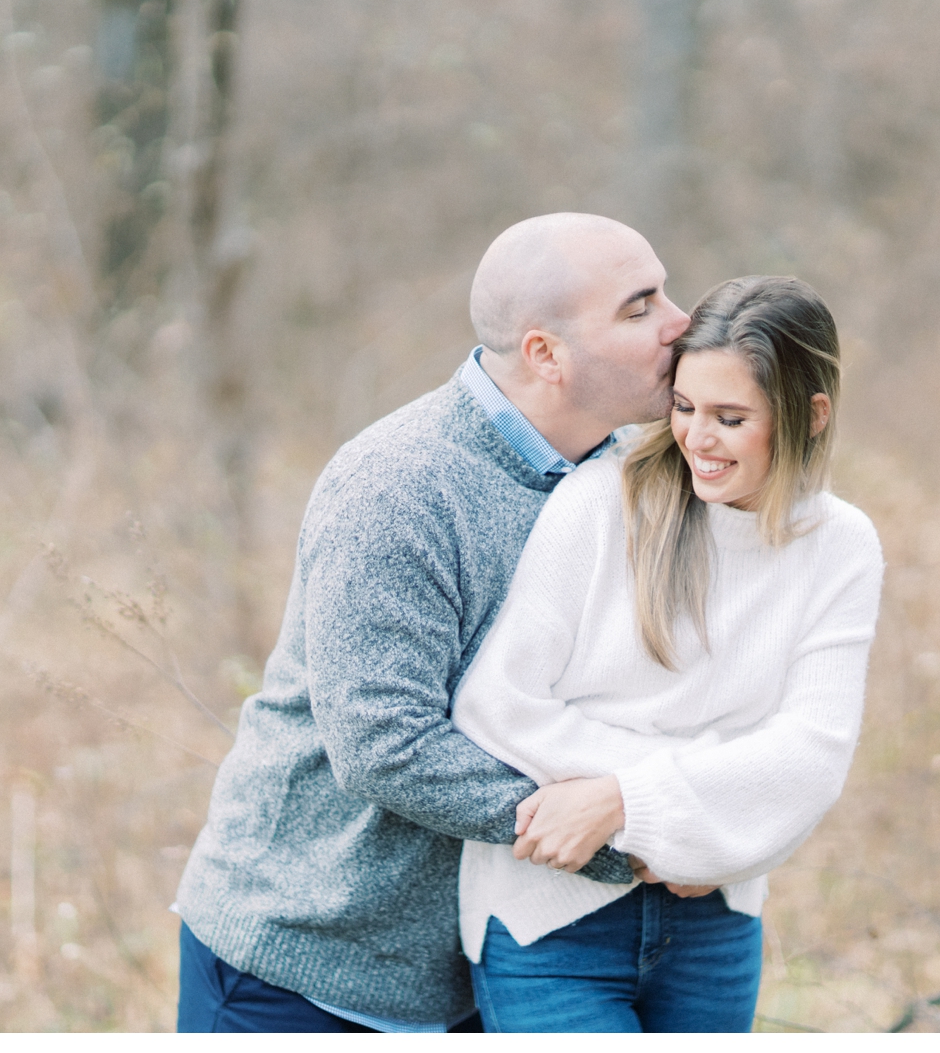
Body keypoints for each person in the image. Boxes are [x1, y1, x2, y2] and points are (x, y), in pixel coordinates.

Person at [172, 213, 692, 1032]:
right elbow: (383, 742)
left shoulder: (626, 474)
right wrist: (627, 839)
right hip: (309, 967)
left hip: (492, 965)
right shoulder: (400, 487)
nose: (680, 323)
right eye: (639, 307)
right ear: (544, 355)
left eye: (665, 291)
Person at [450, 275, 885, 1032]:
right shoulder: (604, 499)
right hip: (552, 919)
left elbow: (809, 755)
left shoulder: (840, 545)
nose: (697, 438)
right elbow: (498, 704)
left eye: (731, 417)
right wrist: (702, 794)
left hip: (713, 919)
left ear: (810, 416)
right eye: (684, 408)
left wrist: (627, 801)